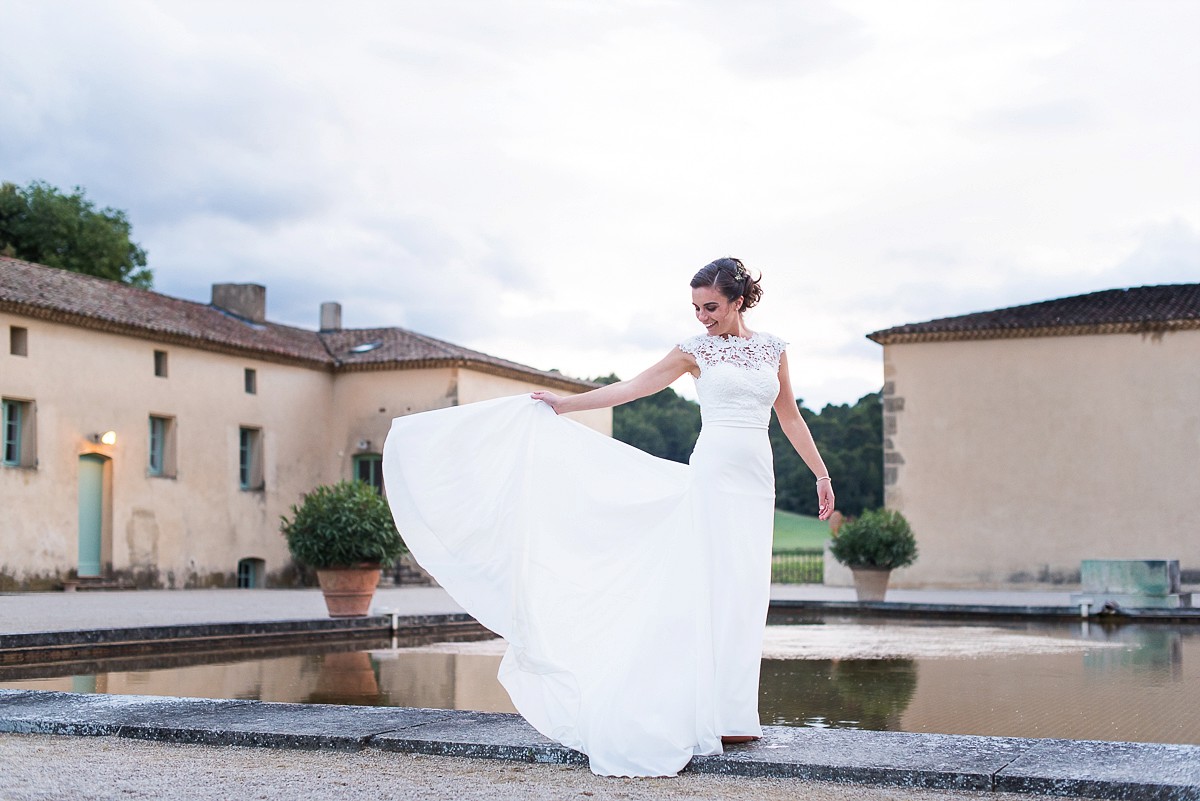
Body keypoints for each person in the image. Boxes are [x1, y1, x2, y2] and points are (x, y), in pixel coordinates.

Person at [381, 257, 834, 778]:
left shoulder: (773, 349)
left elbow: (789, 414)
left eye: (711, 307)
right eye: (695, 308)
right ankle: (699, 712)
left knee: (745, 589)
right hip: (711, 475)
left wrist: (819, 475)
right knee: (705, 588)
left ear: (738, 301)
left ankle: (735, 714)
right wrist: (566, 405)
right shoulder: (694, 351)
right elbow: (634, 387)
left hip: (757, 479)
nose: (702, 317)